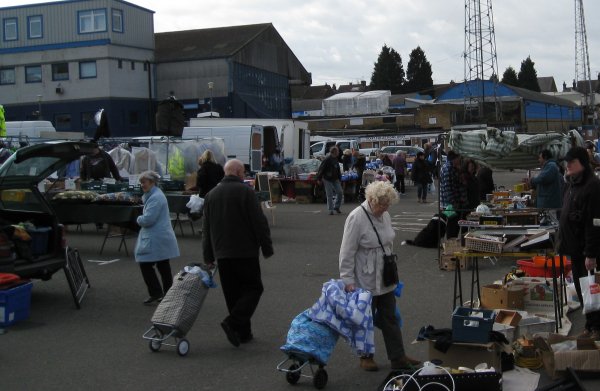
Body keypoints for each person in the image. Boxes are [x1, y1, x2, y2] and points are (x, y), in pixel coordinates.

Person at [339, 181, 420, 371]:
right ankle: (365, 356)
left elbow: (388, 243)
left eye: (387, 204)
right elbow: (346, 251)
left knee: (390, 317)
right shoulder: (356, 217)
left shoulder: (385, 215)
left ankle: (398, 356)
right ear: (371, 199)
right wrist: (347, 280)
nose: (385, 208)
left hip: (385, 274)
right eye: (382, 204)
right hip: (364, 277)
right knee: (364, 319)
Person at [202, 159, 273, 347]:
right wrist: (266, 247)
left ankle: (243, 332)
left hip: (222, 253)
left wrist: (208, 256)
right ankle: (233, 323)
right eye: (243, 173)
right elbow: (259, 222)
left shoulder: (211, 195)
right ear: (239, 172)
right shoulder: (246, 192)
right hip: (245, 251)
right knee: (253, 288)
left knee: (232, 293)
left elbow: (206, 228)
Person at [558, 146, 600, 339]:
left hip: (586, 252)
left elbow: (595, 223)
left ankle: (596, 328)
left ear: (582, 163)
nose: (568, 166)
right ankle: (590, 326)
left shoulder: (593, 186)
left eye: (571, 162)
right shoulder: (571, 184)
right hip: (574, 250)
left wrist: (591, 254)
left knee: (593, 290)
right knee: (584, 291)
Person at [134, 171, 179, 305]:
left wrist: (138, 218)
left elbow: (148, 220)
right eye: (141, 183)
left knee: (146, 264)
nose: (142, 185)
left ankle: (157, 293)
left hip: (156, 236)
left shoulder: (156, 197)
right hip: (160, 236)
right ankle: (166, 294)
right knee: (163, 265)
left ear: (152, 182)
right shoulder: (155, 195)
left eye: (144, 182)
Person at [316, 146, 344, 215]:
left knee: (340, 192)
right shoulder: (327, 159)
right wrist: (319, 178)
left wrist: (340, 178)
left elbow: (338, 170)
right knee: (329, 194)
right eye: (337, 151)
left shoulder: (335, 159)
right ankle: (331, 209)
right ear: (334, 152)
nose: (338, 152)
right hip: (327, 179)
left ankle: (336, 206)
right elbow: (321, 169)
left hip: (335, 178)